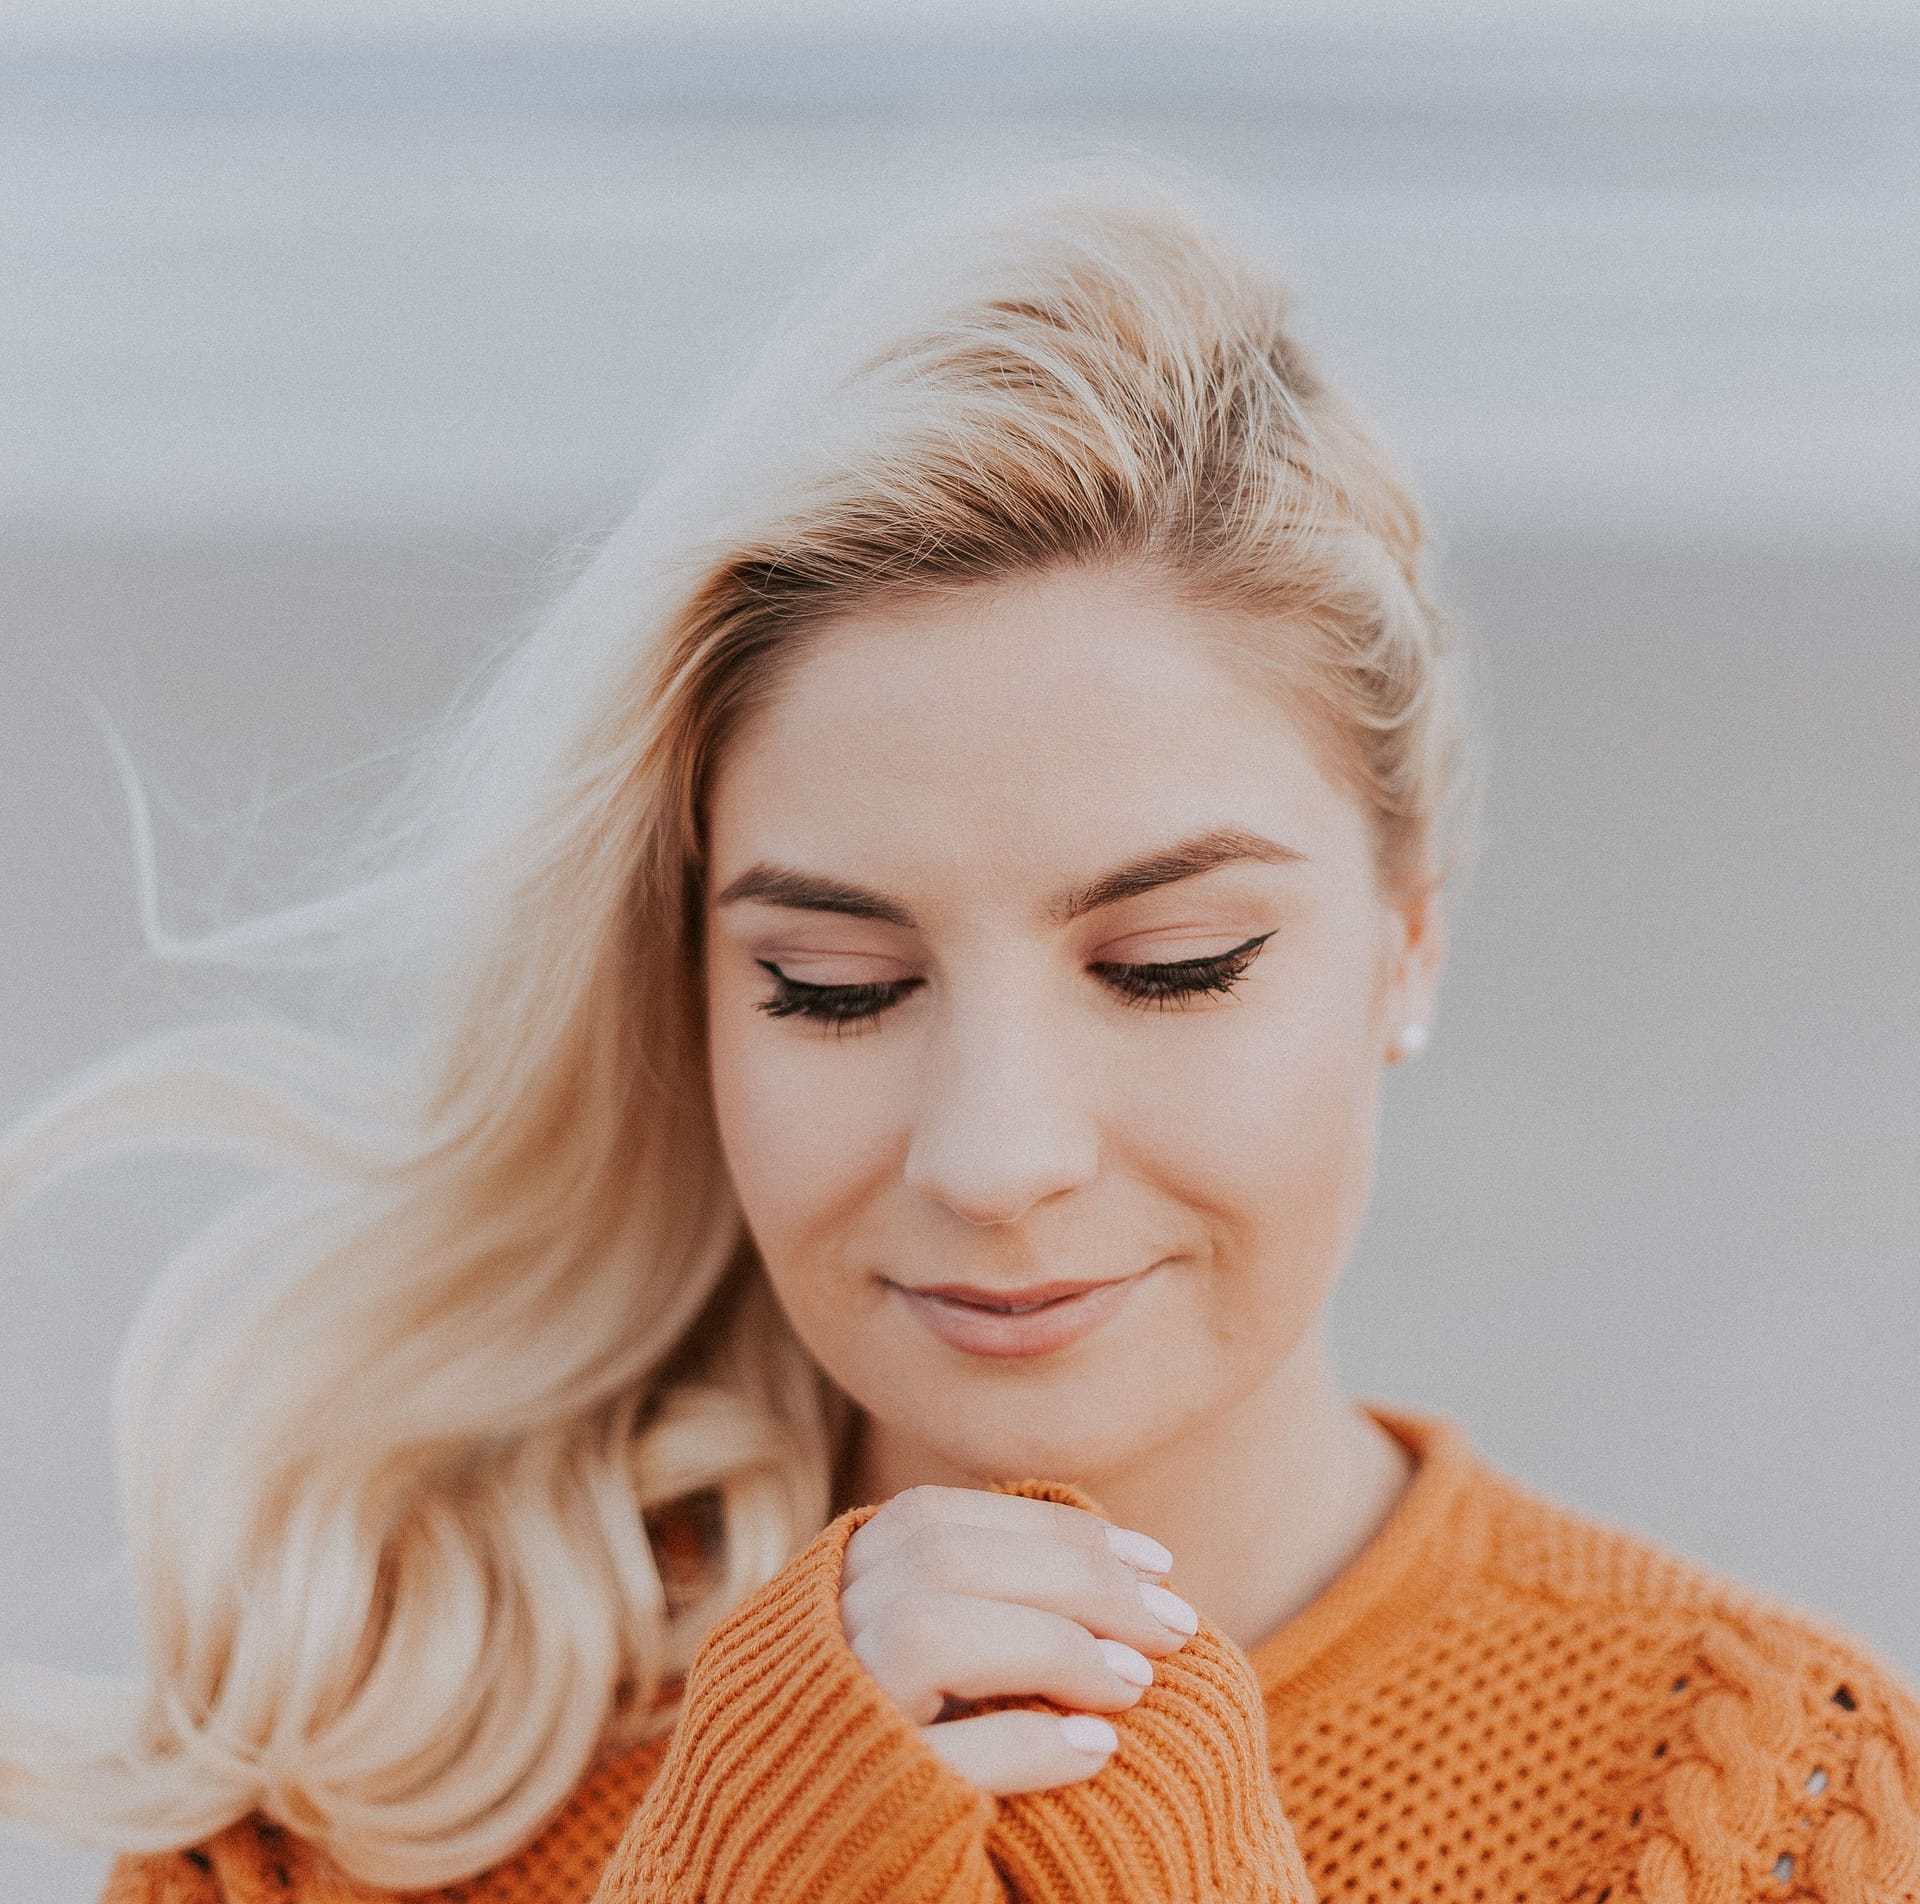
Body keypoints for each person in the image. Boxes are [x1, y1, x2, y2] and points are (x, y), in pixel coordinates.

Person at [5, 181, 1916, 1904]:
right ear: (690, 992)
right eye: (835, 986)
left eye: (1170, 965)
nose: (996, 1156)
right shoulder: (359, 1782)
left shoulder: (1776, 1806)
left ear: (1405, 942)